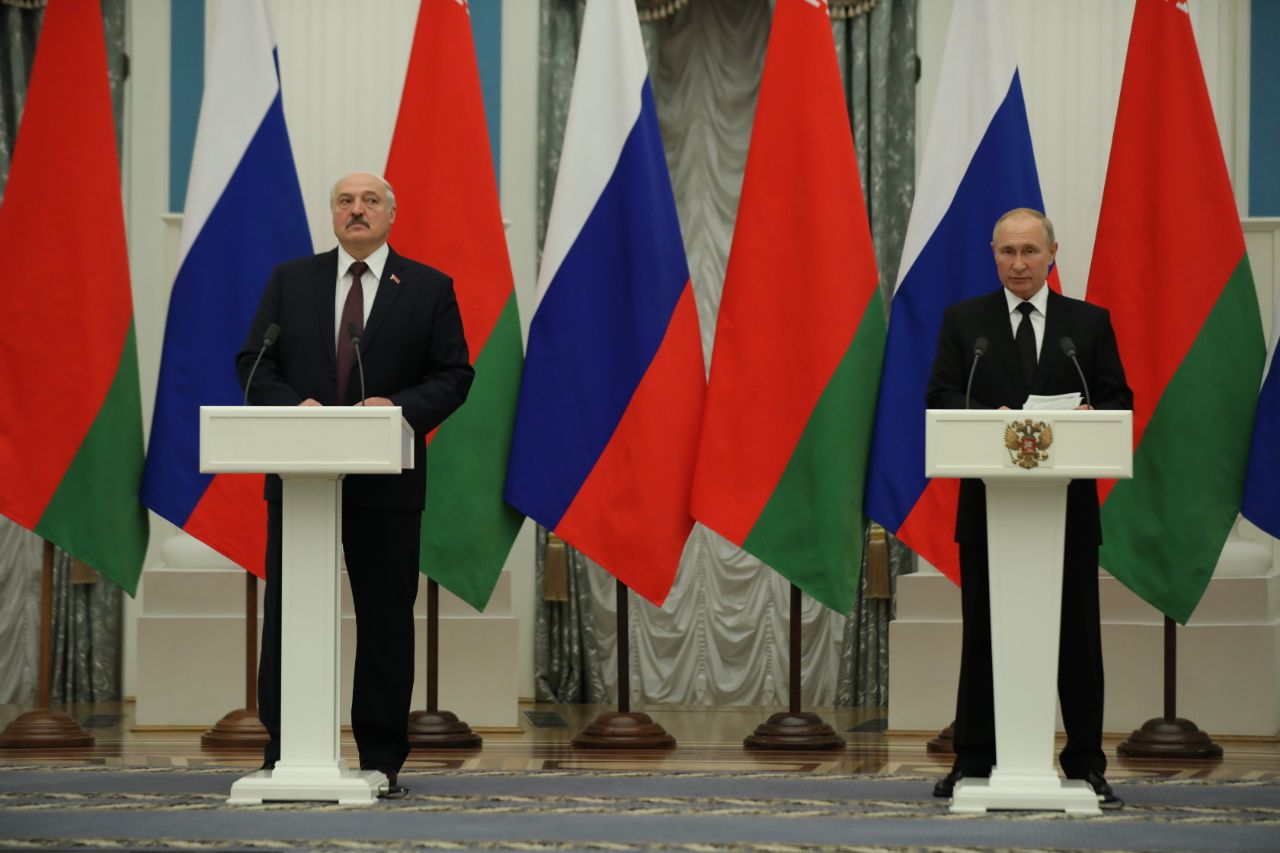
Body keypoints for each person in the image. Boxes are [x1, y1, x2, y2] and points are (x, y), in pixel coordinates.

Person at [237, 171, 474, 797]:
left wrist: (395, 408)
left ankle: (381, 758)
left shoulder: (427, 287)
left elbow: (454, 375)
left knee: (385, 621)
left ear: (391, 215)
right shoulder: (292, 281)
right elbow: (254, 362)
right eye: (345, 201)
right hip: (302, 477)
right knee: (288, 617)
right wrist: (296, 408)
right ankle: (284, 751)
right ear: (333, 215)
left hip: (386, 481)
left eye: (370, 201)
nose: (357, 209)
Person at [925, 207, 1132, 809]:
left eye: (1029, 251)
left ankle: (1086, 763)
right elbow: (940, 396)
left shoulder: (1086, 325)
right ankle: (972, 760)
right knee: (984, 637)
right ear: (994, 255)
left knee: (1077, 640)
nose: (1018, 263)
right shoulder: (967, 323)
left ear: (1052, 254)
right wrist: (986, 418)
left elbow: (1117, 399)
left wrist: (1090, 417)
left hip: (1067, 514)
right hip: (989, 511)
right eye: (1007, 252)